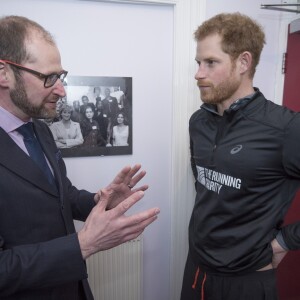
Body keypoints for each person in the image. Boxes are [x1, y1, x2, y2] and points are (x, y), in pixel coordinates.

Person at [0, 15, 160, 300]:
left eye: (60, 77)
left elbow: (60, 195)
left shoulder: (39, 129)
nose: (61, 90)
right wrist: (83, 245)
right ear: (3, 73)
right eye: (49, 78)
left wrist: (101, 200)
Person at [181, 12, 300, 300]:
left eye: (211, 62)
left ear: (243, 63)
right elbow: (205, 186)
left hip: (246, 282)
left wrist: (285, 240)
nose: (199, 73)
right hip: (196, 269)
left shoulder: (285, 128)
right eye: (199, 62)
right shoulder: (199, 122)